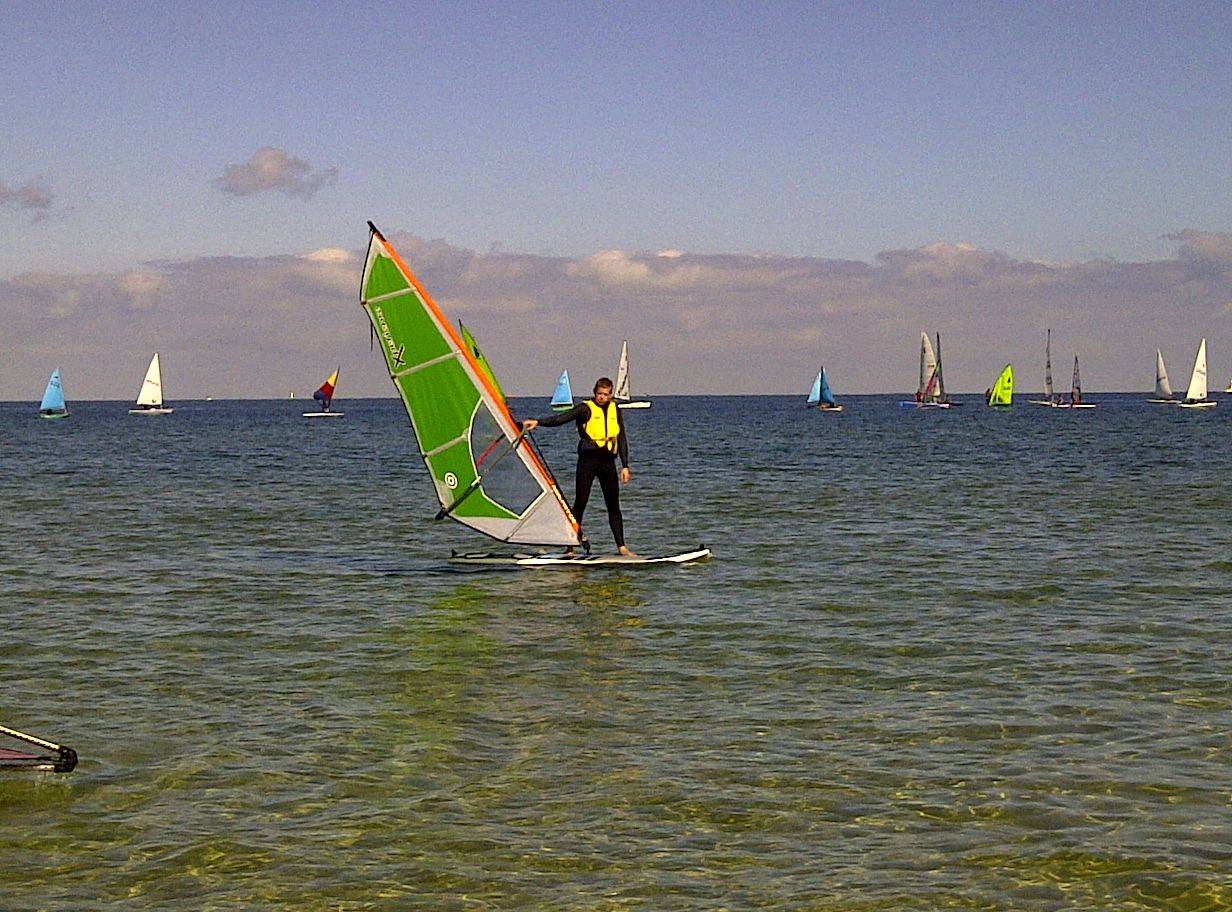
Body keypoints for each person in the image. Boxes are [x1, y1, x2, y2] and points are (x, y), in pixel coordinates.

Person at [521, 377, 636, 557]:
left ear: (611, 394)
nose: (603, 397)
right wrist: (539, 422)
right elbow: (561, 418)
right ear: (594, 392)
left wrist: (625, 465)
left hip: (608, 463)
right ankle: (570, 546)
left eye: (606, 394)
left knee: (613, 505)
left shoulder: (615, 409)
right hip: (588, 462)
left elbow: (621, 438)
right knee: (580, 502)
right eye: (600, 394)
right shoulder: (584, 409)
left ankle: (621, 547)